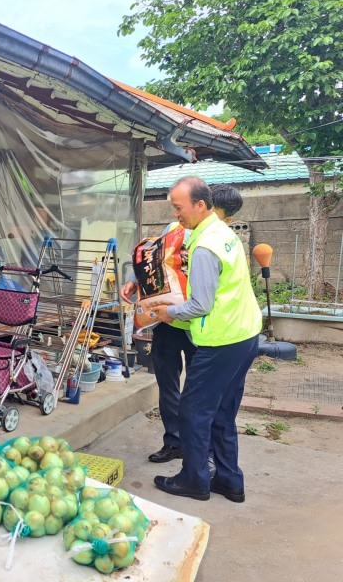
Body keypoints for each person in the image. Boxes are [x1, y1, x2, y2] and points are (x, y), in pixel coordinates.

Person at [150, 176, 260, 502]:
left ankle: (194, 479)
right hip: (246, 334)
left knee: (193, 411)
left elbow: (200, 304)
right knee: (223, 413)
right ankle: (229, 480)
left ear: (200, 205)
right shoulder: (222, 231)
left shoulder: (204, 245)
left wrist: (167, 313)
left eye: (179, 207)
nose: (175, 213)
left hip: (221, 339)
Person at [121, 183, 244, 466]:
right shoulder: (172, 229)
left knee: (201, 396)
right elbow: (152, 265)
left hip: (201, 328)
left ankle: (204, 454)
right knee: (168, 387)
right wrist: (135, 282)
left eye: (179, 208)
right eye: (176, 208)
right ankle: (174, 442)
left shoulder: (217, 238)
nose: (178, 214)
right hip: (167, 324)